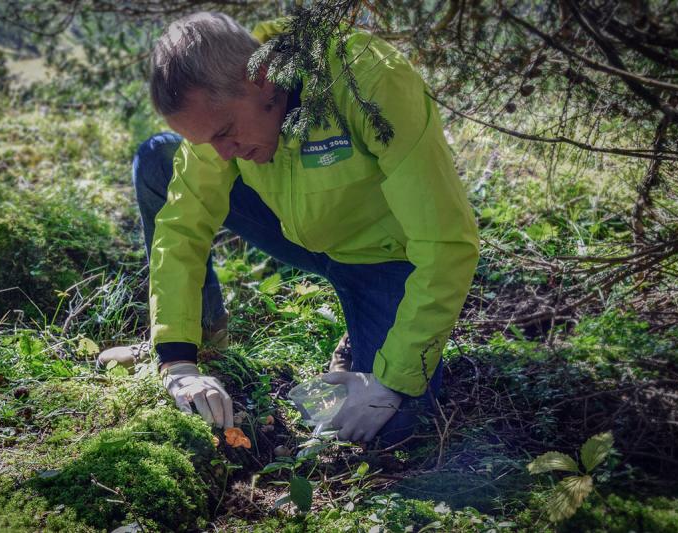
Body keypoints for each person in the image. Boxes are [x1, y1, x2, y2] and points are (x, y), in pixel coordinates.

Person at [99, 12, 479, 445]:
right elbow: (182, 227)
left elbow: (447, 241)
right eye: (208, 142)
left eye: (224, 132)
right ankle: (202, 336)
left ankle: (363, 342)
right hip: (298, 228)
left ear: (261, 77)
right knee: (156, 162)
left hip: (384, 256)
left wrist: (391, 382)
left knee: (395, 426)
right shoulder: (224, 120)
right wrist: (178, 360)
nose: (222, 155)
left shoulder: (368, 80)